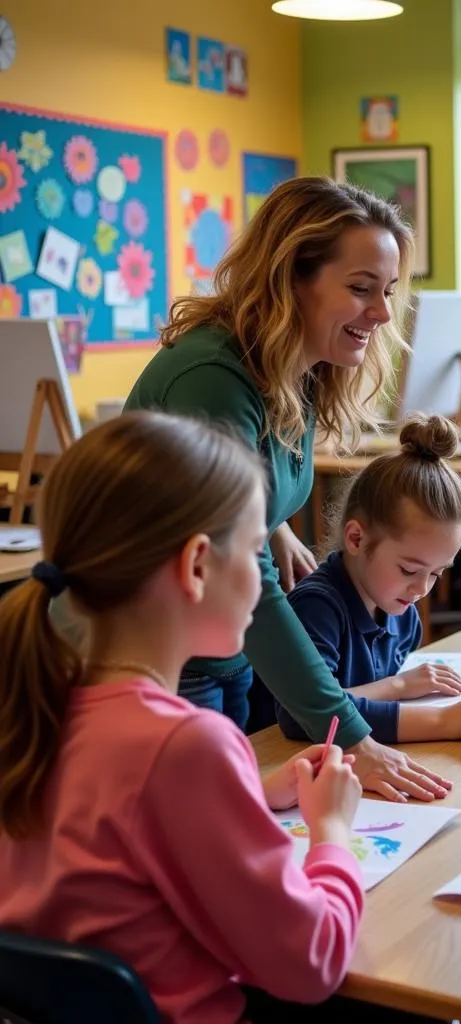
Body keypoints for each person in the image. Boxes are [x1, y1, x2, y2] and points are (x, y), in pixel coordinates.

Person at [0, 412, 371, 1023]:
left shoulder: (36, 702)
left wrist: (250, 789)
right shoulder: (186, 745)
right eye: (257, 552)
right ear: (198, 566)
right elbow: (312, 961)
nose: (264, 578)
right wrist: (332, 831)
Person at [124, 176, 449, 803]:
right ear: (291, 279)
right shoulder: (214, 379)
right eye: (361, 289)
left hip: (221, 648)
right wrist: (355, 738)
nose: (382, 313)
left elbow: (232, 486)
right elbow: (231, 565)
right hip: (156, 654)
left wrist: (275, 525)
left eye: (385, 292)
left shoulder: (291, 371)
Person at [285, 415, 461, 747]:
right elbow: (302, 715)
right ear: (355, 538)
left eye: (437, 573)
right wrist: (411, 695)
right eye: (410, 570)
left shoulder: (401, 614)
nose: (422, 589)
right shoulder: (316, 608)